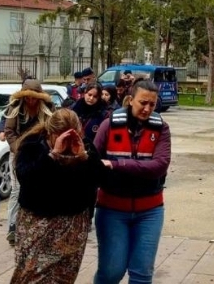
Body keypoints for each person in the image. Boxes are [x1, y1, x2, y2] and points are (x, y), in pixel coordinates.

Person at [10, 108, 106, 284]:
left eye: (74, 135)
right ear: (50, 133)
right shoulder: (33, 145)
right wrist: (52, 155)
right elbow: (26, 178)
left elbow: (100, 179)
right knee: (31, 276)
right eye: (62, 137)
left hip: (73, 223)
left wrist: (84, 156)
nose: (69, 142)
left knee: (63, 277)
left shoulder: (85, 147)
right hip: (38, 222)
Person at [93, 79, 171, 284]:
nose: (147, 109)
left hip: (150, 211)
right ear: (130, 100)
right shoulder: (109, 125)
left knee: (142, 274)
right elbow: (93, 162)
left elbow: (159, 166)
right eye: (142, 103)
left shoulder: (161, 128)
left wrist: (117, 165)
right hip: (112, 209)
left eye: (152, 105)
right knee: (111, 272)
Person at [0, 79, 54, 246]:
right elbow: (9, 131)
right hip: (19, 154)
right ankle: (13, 227)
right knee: (16, 190)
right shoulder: (15, 109)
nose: (31, 101)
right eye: (28, 97)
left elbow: (53, 129)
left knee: (39, 188)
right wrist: (19, 149)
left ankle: (38, 225)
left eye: (34, 97)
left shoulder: (48, 110)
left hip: (42, 154)